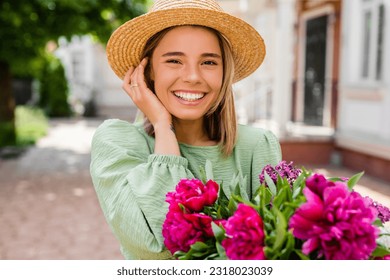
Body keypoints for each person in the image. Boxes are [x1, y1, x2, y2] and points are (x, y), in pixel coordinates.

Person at [90, 0, 282, 260]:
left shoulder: (256, 146)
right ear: (147, 72)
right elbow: (158, 253)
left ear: (224, 73)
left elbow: (272, 253)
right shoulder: (118, 143)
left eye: (209, 62)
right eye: (174, 61)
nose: (192, 76)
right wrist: (162, 125)